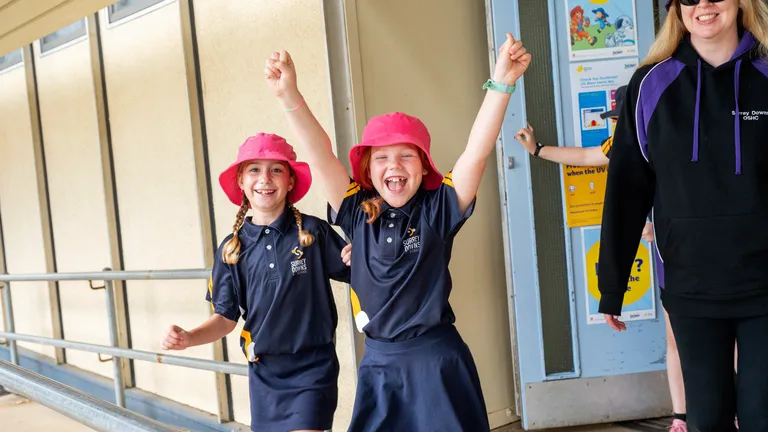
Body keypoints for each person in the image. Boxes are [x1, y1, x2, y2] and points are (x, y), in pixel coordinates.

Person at [264, 33, 531, 431]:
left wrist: (502, 84)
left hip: (436, 360)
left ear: (424, 166)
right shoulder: (355, 210)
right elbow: (319, 157)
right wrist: (289, 95)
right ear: (367, 170)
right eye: (382, 157)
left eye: (407, 155)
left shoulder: (438, 208)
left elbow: (476, 152)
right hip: (379, 364)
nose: (394, 165)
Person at [597, 0, 768, 430]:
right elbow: (626, 191)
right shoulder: (649, 85)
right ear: (676, 8)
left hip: (765, 283)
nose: (703, 5)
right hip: (691, 285)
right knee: (706, 420)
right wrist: (612, 285)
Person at [514, 85, 689, 431]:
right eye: (617, 120)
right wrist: (538, 150)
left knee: (727, 336)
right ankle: (680, 416)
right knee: (676, 339)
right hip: (669, 260)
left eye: (622, 119)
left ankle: (734, 410)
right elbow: (585, 157)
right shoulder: (623, 145)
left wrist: (660, 225)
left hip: (696, 250)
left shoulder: (675, 142)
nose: (619, 125)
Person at [161, 134, 351, 432]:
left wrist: (362, 255)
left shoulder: (313, 232)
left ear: (290, 181)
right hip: (264, 371)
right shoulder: (231, 249)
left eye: (276, 169)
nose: (265, 178)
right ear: (241, 180)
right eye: (254, 170)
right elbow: (225, 318)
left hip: (313, 367)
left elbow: (358, 272)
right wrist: (189, 337)